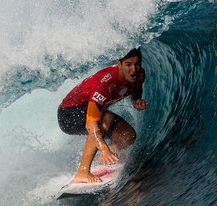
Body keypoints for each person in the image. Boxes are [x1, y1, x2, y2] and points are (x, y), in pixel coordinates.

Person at [57, 48, 149, 183]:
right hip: (68, 114)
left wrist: (136, 100)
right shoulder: (105, 81)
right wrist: (104, 148)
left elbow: (135, 91)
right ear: (119, 64)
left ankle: (104, 158)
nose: (133, 69)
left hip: (93, 113)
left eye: (137, 64)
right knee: (106, 117)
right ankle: (82, 171)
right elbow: (91, 123)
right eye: (128, 64)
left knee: (128, 135)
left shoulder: (139, 74)